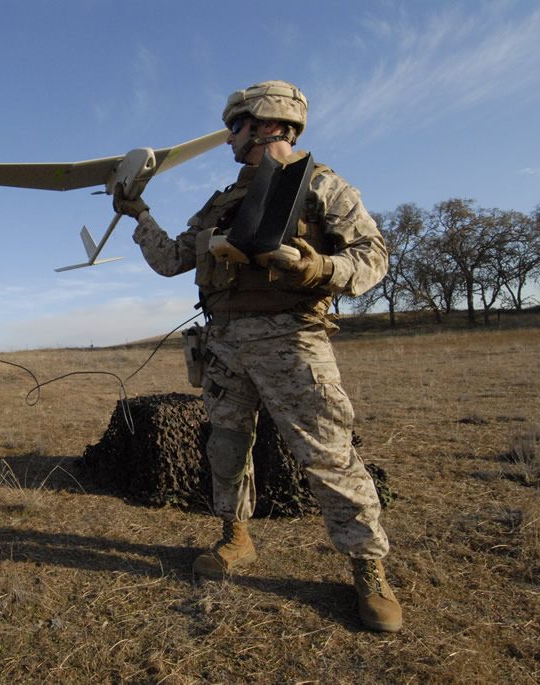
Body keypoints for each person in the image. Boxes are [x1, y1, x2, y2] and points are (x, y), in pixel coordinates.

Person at [112, 80, 402, 633]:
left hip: (293, 340)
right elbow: (173, 259)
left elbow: (373, 259)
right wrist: (138, 214)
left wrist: (318, 268)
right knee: (225, 444)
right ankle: (235, 538)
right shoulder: (222, 201)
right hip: (224, 342)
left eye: (235, 127)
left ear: (269, 123)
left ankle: (369, 569)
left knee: (329, 456)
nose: (228, 140)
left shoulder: (321, 185)